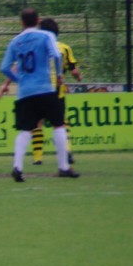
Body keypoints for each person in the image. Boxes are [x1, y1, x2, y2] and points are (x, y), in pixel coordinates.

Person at [0, 8, 79, 182]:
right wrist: (59, 75)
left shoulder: (15, 41)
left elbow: (4, 67)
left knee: (25, 130)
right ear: (38, 20)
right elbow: (56, 55)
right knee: (58, 125)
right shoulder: (46, 36)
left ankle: (17, 167)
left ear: (21, 22)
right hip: (45, 89)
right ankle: (64, 167)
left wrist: (19, 80)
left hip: (25, 93)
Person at [30, 17, 83, 165]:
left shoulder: (36, 48)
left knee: (38, 122)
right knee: (61, 122)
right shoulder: (64, 48)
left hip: (38, 89)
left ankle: (37, 158)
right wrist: (79, 76)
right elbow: (74, 70)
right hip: (57, 91)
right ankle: (67, 151)